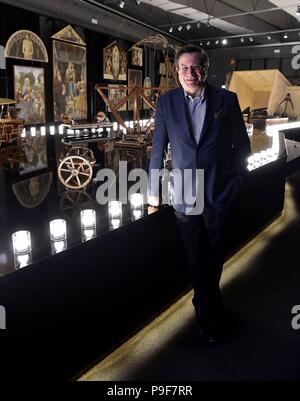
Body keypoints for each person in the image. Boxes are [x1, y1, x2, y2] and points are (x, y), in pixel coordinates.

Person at [147, 45, 251, 344]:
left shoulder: (226, 100)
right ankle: (206, 313)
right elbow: (158, 150)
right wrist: (153, 194)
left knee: (215, 258)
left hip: (220, 193)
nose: (190, 73)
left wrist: (239, 183)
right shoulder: (165, 103)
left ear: (205, 68)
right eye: (184, 68)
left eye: (196, 67)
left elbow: (242, 147)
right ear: (176, 71)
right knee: (195, 258)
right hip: (183, 197)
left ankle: (204, 305)